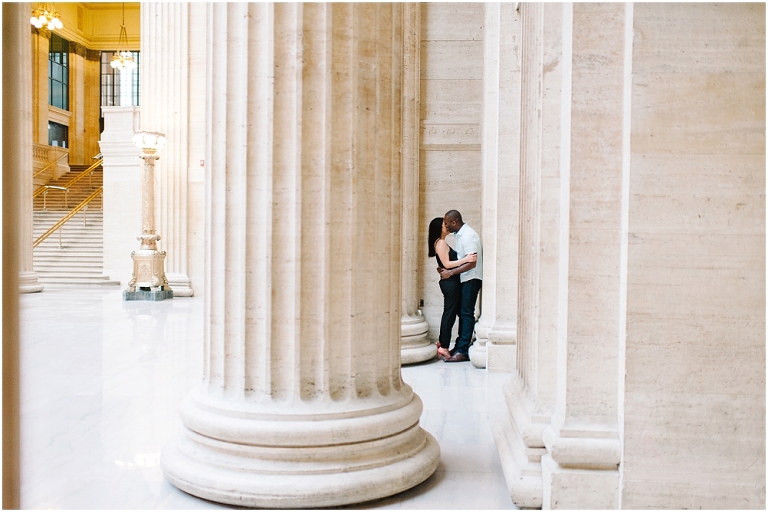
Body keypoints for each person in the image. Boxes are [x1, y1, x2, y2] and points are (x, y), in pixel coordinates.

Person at [428, 217, 477, 359]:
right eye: (444, 224)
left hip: (450, 282)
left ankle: (443, 343)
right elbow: (448, 264)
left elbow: (444, 264)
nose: (447, 226)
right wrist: (466, 260)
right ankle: (443, 346)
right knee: (449, 314)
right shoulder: (441, 242)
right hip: (450, 284)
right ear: (439, 228)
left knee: (451, 313)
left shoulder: (440, 243)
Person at [439, 210, 482, 363]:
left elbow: (472, 262)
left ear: (454, 222)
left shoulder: (468, 235)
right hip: (465, 278)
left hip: (472, 278)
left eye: (446, 223)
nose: (445, 226)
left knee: (466, 313)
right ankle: (459, 347)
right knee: (463, 312)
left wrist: (450, 273)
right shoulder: (460, 235)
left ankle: (462, 351)